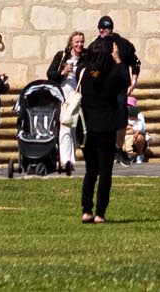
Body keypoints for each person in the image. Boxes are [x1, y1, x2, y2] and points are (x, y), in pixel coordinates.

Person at [78, 36, 131, 224]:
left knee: (90, 170)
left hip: (86, 128)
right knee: (105, 172)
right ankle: (100, 213)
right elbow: (126, 80)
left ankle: (86, 210)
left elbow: (86, 65)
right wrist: (117, 59)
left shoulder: (83, 72)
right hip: (106, 126)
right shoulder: (113, 74)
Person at [95, 17, 141, 161]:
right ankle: (105, 149)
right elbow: (91, 68)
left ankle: (118, 149)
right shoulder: (95, 45)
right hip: (102, 90)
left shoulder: (124, 44)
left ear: (111, 28)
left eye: (105, 28)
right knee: (103, 119)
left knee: (121, 120)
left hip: (120, 88)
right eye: (100, 28)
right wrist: (94, 79)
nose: (102, 30)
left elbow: (136, 63)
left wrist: (133, 82)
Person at [48, 30, 86, 171]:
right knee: (65, 126)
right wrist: (62, 72)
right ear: (71, 43)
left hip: (80, 96)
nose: (80, 44)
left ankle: (72, 158)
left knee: (75, 129)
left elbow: (94, 72)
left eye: (82, 41)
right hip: (65, 97)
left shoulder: (86, 56)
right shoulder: (62, 56)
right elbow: (50, 74)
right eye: (77, 42)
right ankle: (66, 160)